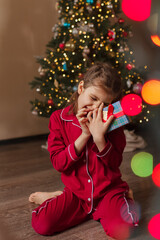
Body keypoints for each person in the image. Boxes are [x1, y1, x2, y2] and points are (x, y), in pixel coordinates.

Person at [29, 62, 139, 240]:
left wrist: (99, 138)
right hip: (76, 195)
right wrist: (84, 135)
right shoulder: (59, 119)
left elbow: (114, 163)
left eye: (104, 104)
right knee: (41, 224)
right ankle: (57, 197)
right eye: (94, 98)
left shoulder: (112, 121)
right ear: (81, 88)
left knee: (124, 229)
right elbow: (58, 163)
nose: (96, 108)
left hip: (107, 193)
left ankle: (127, 197)